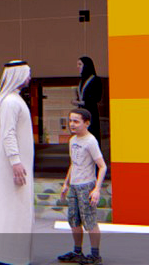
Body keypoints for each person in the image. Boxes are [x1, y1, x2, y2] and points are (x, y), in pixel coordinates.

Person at [0, 60, 35, 265]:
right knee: (12, 209)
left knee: (18, 209)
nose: (29, 77)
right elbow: (8, 135)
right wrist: (15, 162)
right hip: (12, 167)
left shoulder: (14, 100)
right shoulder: (10, 102)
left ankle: (14, 254)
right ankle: (9, 256)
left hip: (17, 166)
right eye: (27, 73)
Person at [56, 107, 105, 265]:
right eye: (70, 121)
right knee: (74, 220)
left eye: (76, 121)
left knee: (89, 221)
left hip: (86, 186)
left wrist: (96, 189)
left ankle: (95, 255)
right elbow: (74, 163)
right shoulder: (72, 140)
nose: (72, 124)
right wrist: (66, 183)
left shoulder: (90, 141)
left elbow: (102, 166)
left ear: (87, 123)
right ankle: (77, 252)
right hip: (74, 186)